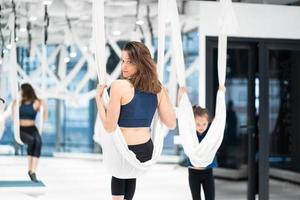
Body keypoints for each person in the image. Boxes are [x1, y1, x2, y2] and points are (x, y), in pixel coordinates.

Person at [95, 41, 176, 200]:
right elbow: (171, 124)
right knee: (130, 174)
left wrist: (98, 99)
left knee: (120, 172)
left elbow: (109, 127)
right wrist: (165, 93)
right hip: (145, 151)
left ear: (141, 62)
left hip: (123, 149)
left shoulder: (119, 86)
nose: (124, 66)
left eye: (130, 62)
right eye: (123, 61)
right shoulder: (157, 88)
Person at [178, 86, 225, 200]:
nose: (201, 127)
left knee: (210, 198)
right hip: (193, 172)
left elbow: (219, 120)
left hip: (208, 172)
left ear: (208, 122)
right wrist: (181, 96)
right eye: (198, 124)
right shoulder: (191, 136)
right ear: (192, 123)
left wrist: (221, 94)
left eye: (204, 124)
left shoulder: (210, 134)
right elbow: (183, 117)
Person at [12, 83, 48, 182]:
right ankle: (29, 168)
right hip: (21, 129)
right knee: (31, 141)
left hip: (32, 128)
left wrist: (44, 106)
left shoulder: (36, 103)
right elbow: (13, 117)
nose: (20, 92)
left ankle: (33, 171)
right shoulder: (19, 102)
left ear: (26, 91)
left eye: (21, 90)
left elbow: (45, 117)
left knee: (38, 142)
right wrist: (15, 103)